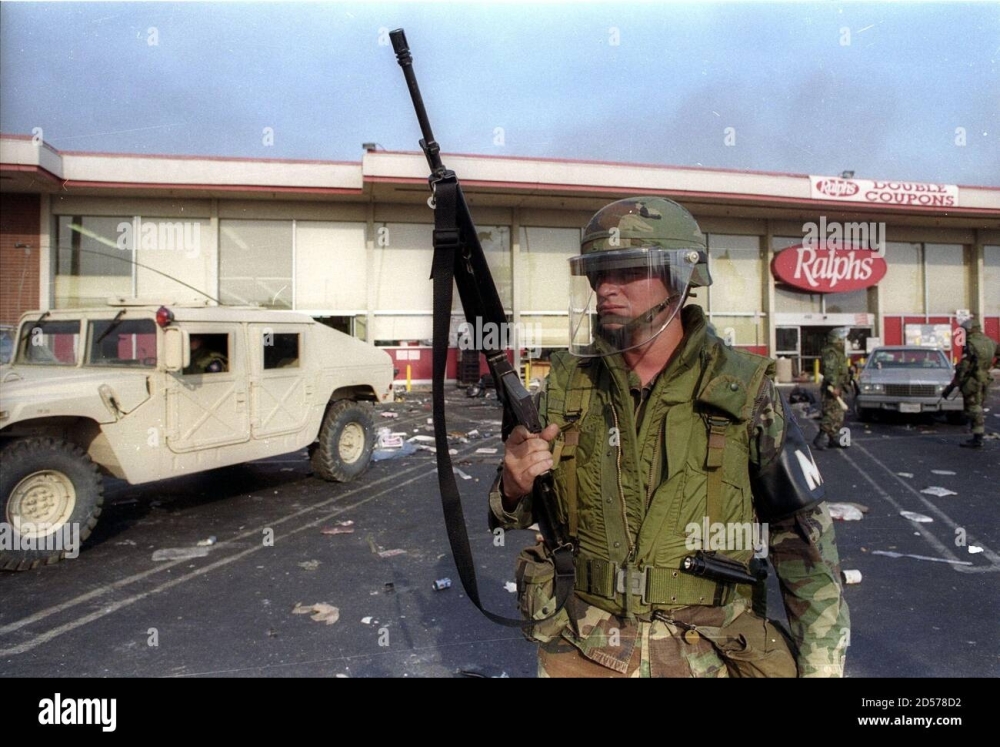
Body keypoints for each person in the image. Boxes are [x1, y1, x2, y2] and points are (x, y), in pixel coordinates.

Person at [489, 197, 849, 678]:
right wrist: (513, 486)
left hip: (710, 656)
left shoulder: (744, 389)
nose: (606, 290)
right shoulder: (569, 384)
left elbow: (803, 543)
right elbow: (518, 509)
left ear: (681, 279)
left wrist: (822, 669)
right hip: (584, 652)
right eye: (598, 274)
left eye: (627, 271)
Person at [943, 318, 1000, 448]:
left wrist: (957, 381)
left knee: (973, 408)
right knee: (978, 405)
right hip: (985, 378)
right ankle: (977, 436)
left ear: (969, 330)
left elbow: (964, 365)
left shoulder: (971, 343)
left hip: (972, 380)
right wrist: (991, 367)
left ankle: (977, 437)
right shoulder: (990, 342)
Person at [813, 327, 850, 451]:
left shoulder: (838, 352)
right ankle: (819, 438)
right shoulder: (831, 353)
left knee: (838, 415)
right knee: (830, 413)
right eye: (842, 339)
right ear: (836, 340)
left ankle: (832, 439)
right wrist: (834, 386)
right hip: (832, 388)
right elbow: (829, 371)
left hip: (839, 386)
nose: (843, 341)